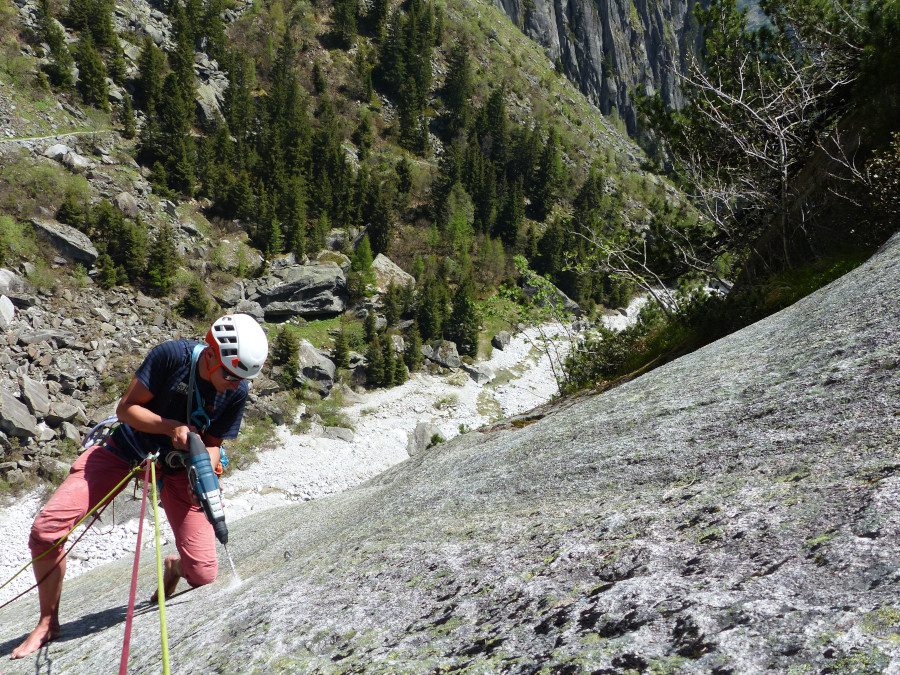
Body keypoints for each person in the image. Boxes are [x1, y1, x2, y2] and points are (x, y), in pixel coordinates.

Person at [11, 313, 268, 660]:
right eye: (230, 375)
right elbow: (126, 409)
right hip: (126, 449)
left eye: (242, 380)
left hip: (177, 468)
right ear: (210, 353)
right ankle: (48, 622)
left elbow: (214, 444)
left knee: (204, 573)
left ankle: (175, 566)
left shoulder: (235, 391)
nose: (235, 385)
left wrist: (204, 466)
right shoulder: (172, 357)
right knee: (46, 532)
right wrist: (172, 427)